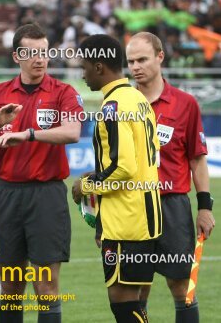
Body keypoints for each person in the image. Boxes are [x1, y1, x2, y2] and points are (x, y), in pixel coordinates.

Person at [0, 23, 83, 323]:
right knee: (10, 287)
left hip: (47, 195)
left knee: (46, 286)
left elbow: (73, 132)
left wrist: (29, 134)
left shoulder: (64, 92)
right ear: (16, 56)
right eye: (31, 53)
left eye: (44, 53)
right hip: (7, 195)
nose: (40, 59)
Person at [126, 32, 215, 323]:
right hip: (132, 207)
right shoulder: (119, 104)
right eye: (130, 61)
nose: (136, 66)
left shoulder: (185, 104)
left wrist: (204, 208)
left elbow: (197, 160)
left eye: (142, 59)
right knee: (135, 291)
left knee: (181, 288)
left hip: (172, 207)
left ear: (160, 57)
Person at [72, 34, 161, 323]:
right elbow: (147, 157)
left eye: (84, 67)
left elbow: (124, 169)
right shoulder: (138, 98)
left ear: (99, 67)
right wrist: (98, 174)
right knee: (134, 302)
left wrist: (85, 185)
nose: (82, 74)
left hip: (126, 222)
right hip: (146, 217)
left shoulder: (113, 107)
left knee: (123, 305)